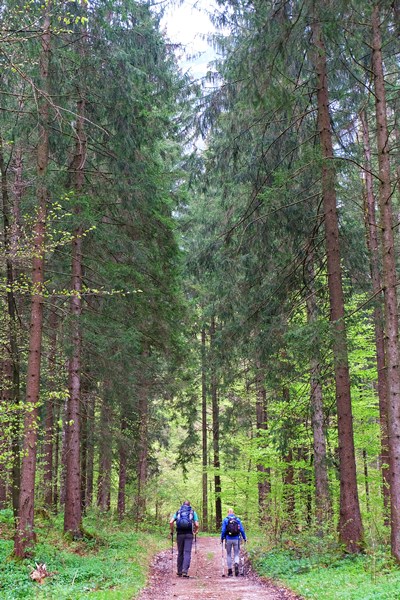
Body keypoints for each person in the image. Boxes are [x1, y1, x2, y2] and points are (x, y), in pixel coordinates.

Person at [170, 500, 199, 577]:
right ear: (189, 505)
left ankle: (179, 571)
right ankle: (185, 571)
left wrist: (172, 531)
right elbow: (196, 524)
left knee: (180, 552)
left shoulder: (178, 512)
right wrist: (195, 531)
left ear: (183, 505)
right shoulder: (192, 512)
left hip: (179, 534)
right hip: (189, 534)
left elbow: (171, 522)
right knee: (187, 552)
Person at [220, 508, 247, 576]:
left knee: (228, 554)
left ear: (228, 513)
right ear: (233, 513)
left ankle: (230, 571)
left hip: (228, 539)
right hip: (236, 539)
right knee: (236, 554)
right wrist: (244, 537)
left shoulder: (226, 520)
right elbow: (242, 530)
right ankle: (236, 564)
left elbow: (223, 531)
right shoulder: (237, 520)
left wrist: (222, 538)